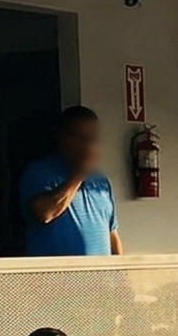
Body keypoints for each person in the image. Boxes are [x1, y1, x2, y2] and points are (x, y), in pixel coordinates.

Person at [20, 106, 122, 257]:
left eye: (93, 139)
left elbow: (112, 233)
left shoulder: (101, 180)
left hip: (100, 278)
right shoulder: (39, 172)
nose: (89, 146)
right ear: (63, 138)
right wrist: (80, 175)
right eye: (82, 138)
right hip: (57, 278)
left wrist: (121, 274)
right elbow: (45, 212)